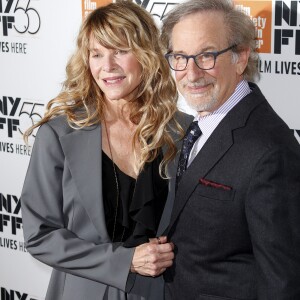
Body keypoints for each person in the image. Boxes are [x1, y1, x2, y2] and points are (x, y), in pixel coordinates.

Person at [21, 1, 179, 299]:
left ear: (146, 55)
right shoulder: (60, 134)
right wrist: (124, 261)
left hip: (160, 292)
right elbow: (40, 235)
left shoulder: (178, 131)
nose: (107, 66)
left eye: (120, 50)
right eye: (97, 54)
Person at [160, 0, 300, 299]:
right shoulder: (193, 125)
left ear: (240, 57)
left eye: (207, 55)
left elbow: (282, 281)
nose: (191, 73)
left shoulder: (269, 151)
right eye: (180, 57)